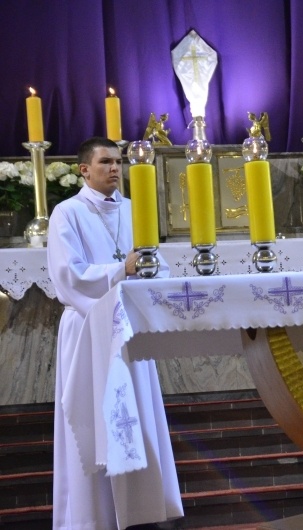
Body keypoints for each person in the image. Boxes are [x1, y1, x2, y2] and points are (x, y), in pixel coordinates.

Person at [47, 137, 183, 529]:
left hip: (129, 328)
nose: (114, 169)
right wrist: (119, 270)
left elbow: (157, 264)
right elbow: (66, 276)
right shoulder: (66, 213)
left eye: (119, 162)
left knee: (135, 415)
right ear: (83, 169)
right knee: (93, 419)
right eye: (105, 162)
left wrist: (155, 276)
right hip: (89, 329)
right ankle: (93, 517)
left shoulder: (133, 209)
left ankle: (142, 510)